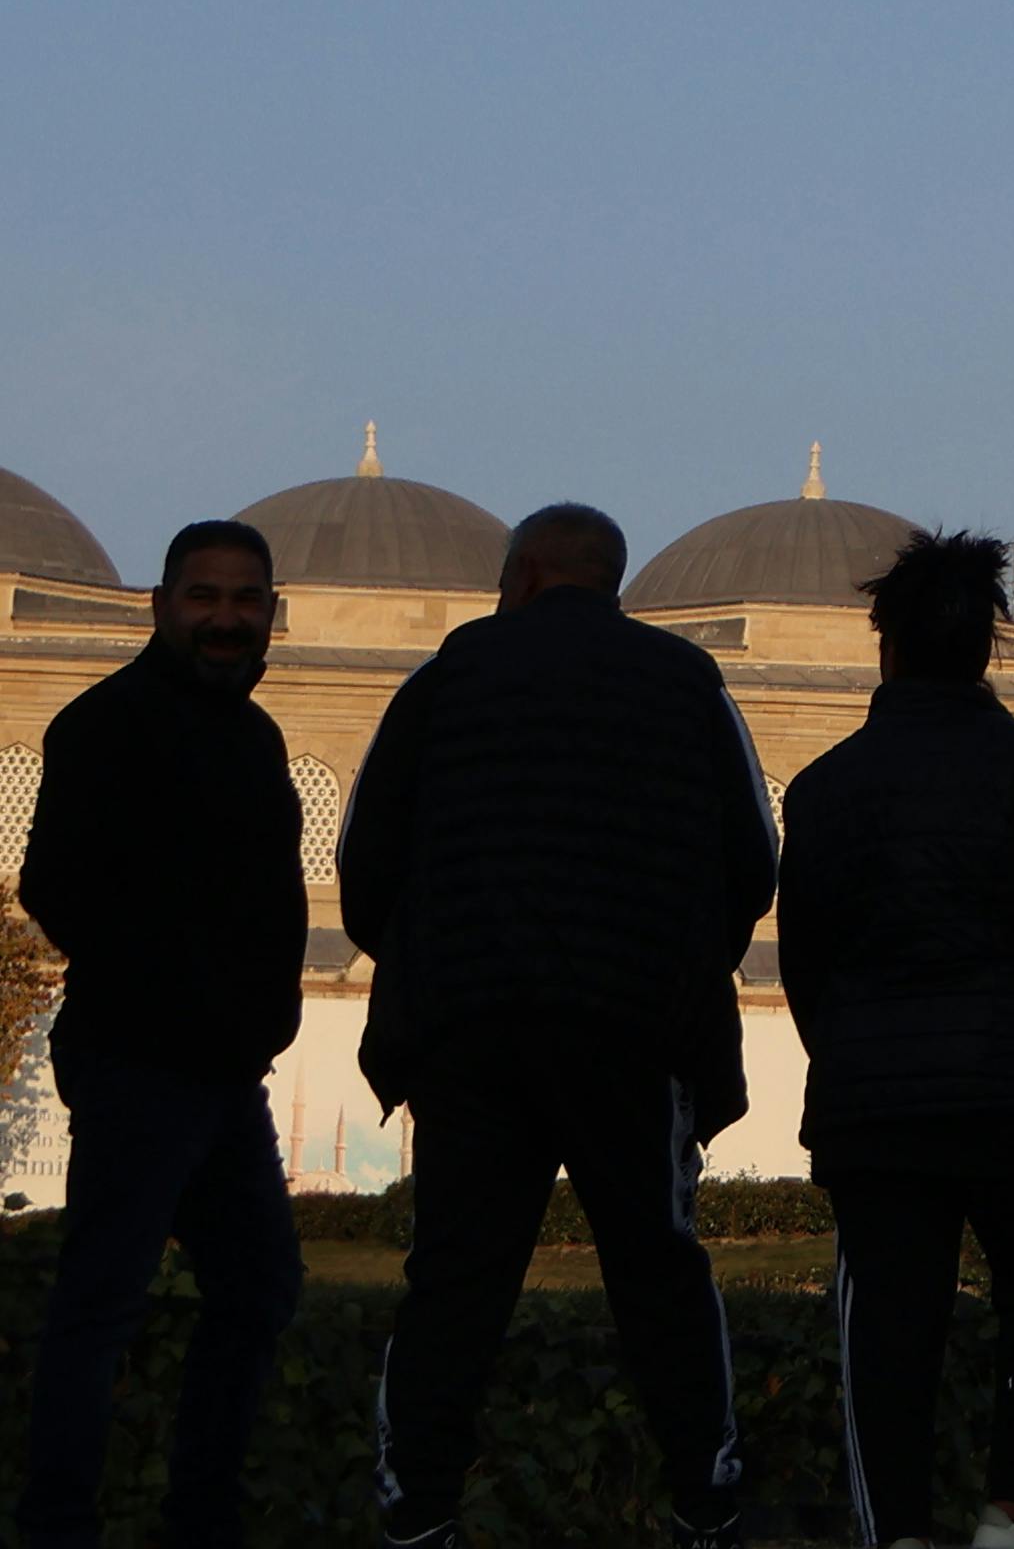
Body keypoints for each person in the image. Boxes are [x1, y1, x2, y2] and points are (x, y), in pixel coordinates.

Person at [338, 501, 781, 1549]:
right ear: (608, 580)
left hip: (472, 1030)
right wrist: (670, 958)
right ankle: (705, 1498)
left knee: (455, 1272)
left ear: (525, 574)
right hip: (635, 1031)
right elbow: (753, 862)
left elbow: (365, 863)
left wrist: (432, 961)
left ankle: (417, 1507)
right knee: (659, 1266)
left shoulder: (445, 679)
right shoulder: (686, 686)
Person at [776, 529, 1014, 1549]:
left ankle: (893, 1530)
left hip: (878, 1114)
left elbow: (804, 963)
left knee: (886, 1331)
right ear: (988, 649)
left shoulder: (823, 787)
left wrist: (856, 1055)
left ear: (885, 647)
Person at [14, 521, 310, 1549]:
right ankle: (60, 1521)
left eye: (245, 598)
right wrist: (173, 995)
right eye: (206, 596)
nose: (226, 617)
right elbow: (58, 882)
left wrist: (253, 1021)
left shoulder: (253, 734)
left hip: (222, 1069)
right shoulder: (112, 723)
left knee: (258, 1286)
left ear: (271, 610)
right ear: (163, 603)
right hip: (144, 1059)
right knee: (105, 1298)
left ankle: (200, 1512)